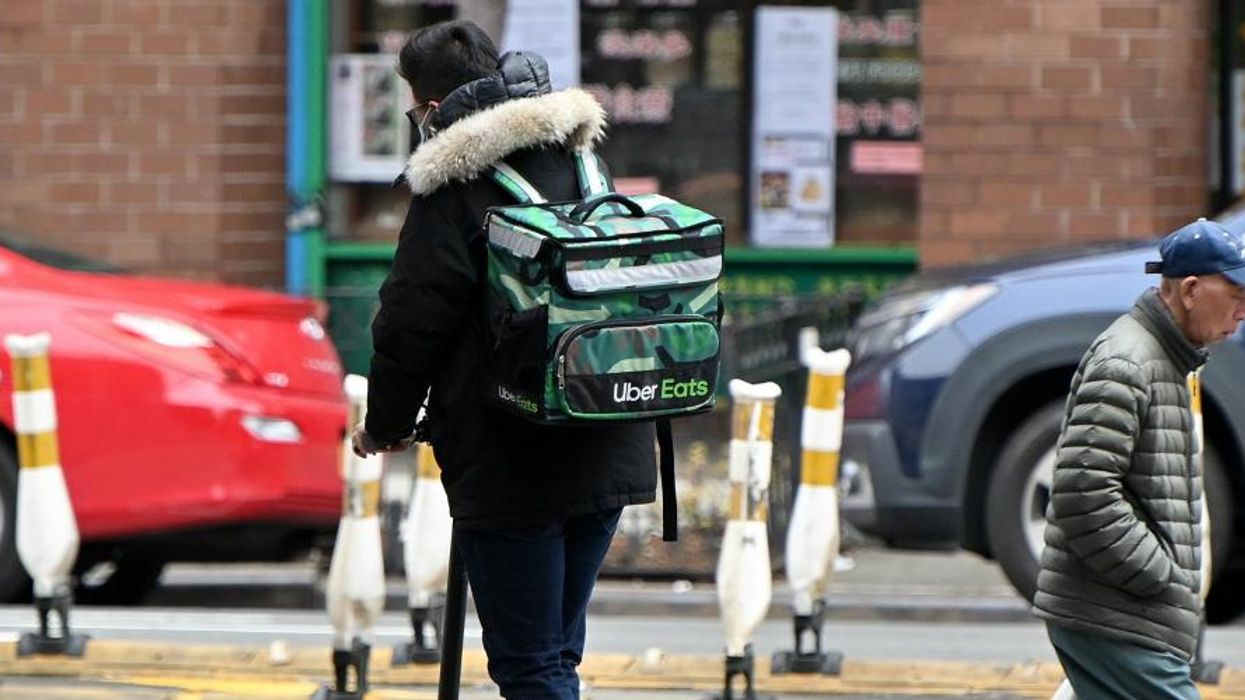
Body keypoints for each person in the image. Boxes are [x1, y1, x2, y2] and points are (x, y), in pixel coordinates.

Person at [350, 20, 656, 700]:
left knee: (527, 664)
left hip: (511, 455)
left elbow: (410, 322)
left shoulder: (453, 186)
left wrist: (386, 423)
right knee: (556, 656)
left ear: (431, 109)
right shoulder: (582, 160)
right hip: (609, 434)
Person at [1034, 218, 1245, 699]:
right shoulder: (1127, 363)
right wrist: (1158, 574)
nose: (1243, 310)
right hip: (1121, 616)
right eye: (1236, 294)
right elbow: (1082, 493)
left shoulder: (1166, 359)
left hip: (1125, 612)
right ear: (1190, 290)